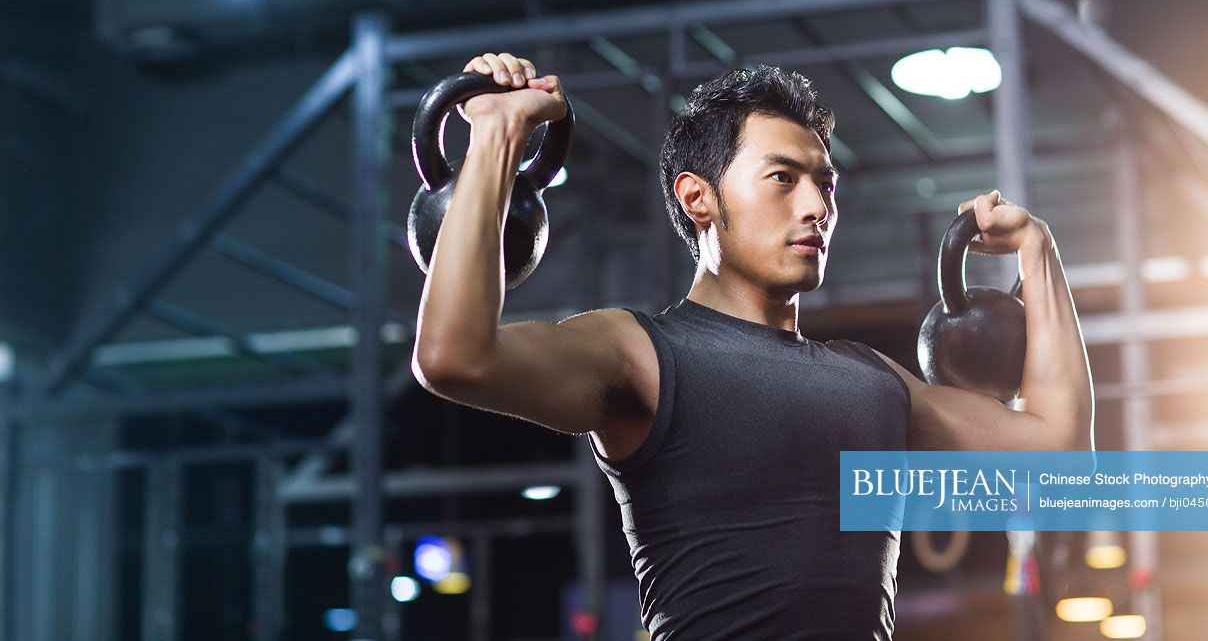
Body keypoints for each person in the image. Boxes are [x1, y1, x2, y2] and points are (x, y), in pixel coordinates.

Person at [412, 51, 1095, 640]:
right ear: (697, 198)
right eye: (782, 178)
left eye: (824, 184)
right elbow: (453, 355)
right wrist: (495, 143)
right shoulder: (642, 353)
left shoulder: (871, 381)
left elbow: (1059, 453)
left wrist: (1038, 251)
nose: (816, 206)